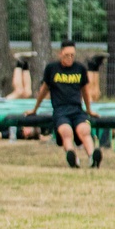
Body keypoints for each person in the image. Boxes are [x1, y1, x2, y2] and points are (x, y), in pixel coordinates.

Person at [25, 40, 100, 168]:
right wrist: (35, 109)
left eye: (72, 55)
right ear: (60, 54)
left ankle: (93, 157)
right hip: (60, 110)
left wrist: (89, 110)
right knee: (66, 131)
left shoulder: (80, 69)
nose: (70, 58)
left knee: (84, 130)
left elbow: (85, 92)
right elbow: (43, 90)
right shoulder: (52, 69)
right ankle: (72, 157)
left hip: (77, 109)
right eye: (67, 55)